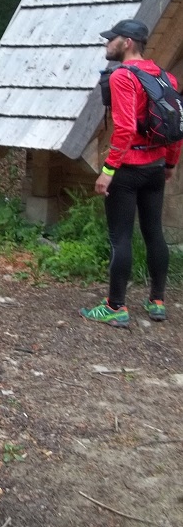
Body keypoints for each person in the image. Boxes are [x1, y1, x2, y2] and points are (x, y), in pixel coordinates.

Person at [80, 19, 181, 327]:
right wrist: (170, 164)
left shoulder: (122, 76)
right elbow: (176, 126)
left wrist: (108, 170)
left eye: (112, 39)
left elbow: (124, 129)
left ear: (127, 43)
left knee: (120, 237)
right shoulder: (166, 77)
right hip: (155, 168)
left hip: (127, 170)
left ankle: (116, 306)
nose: (107, 43)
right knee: (154, 233)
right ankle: (157, 301)